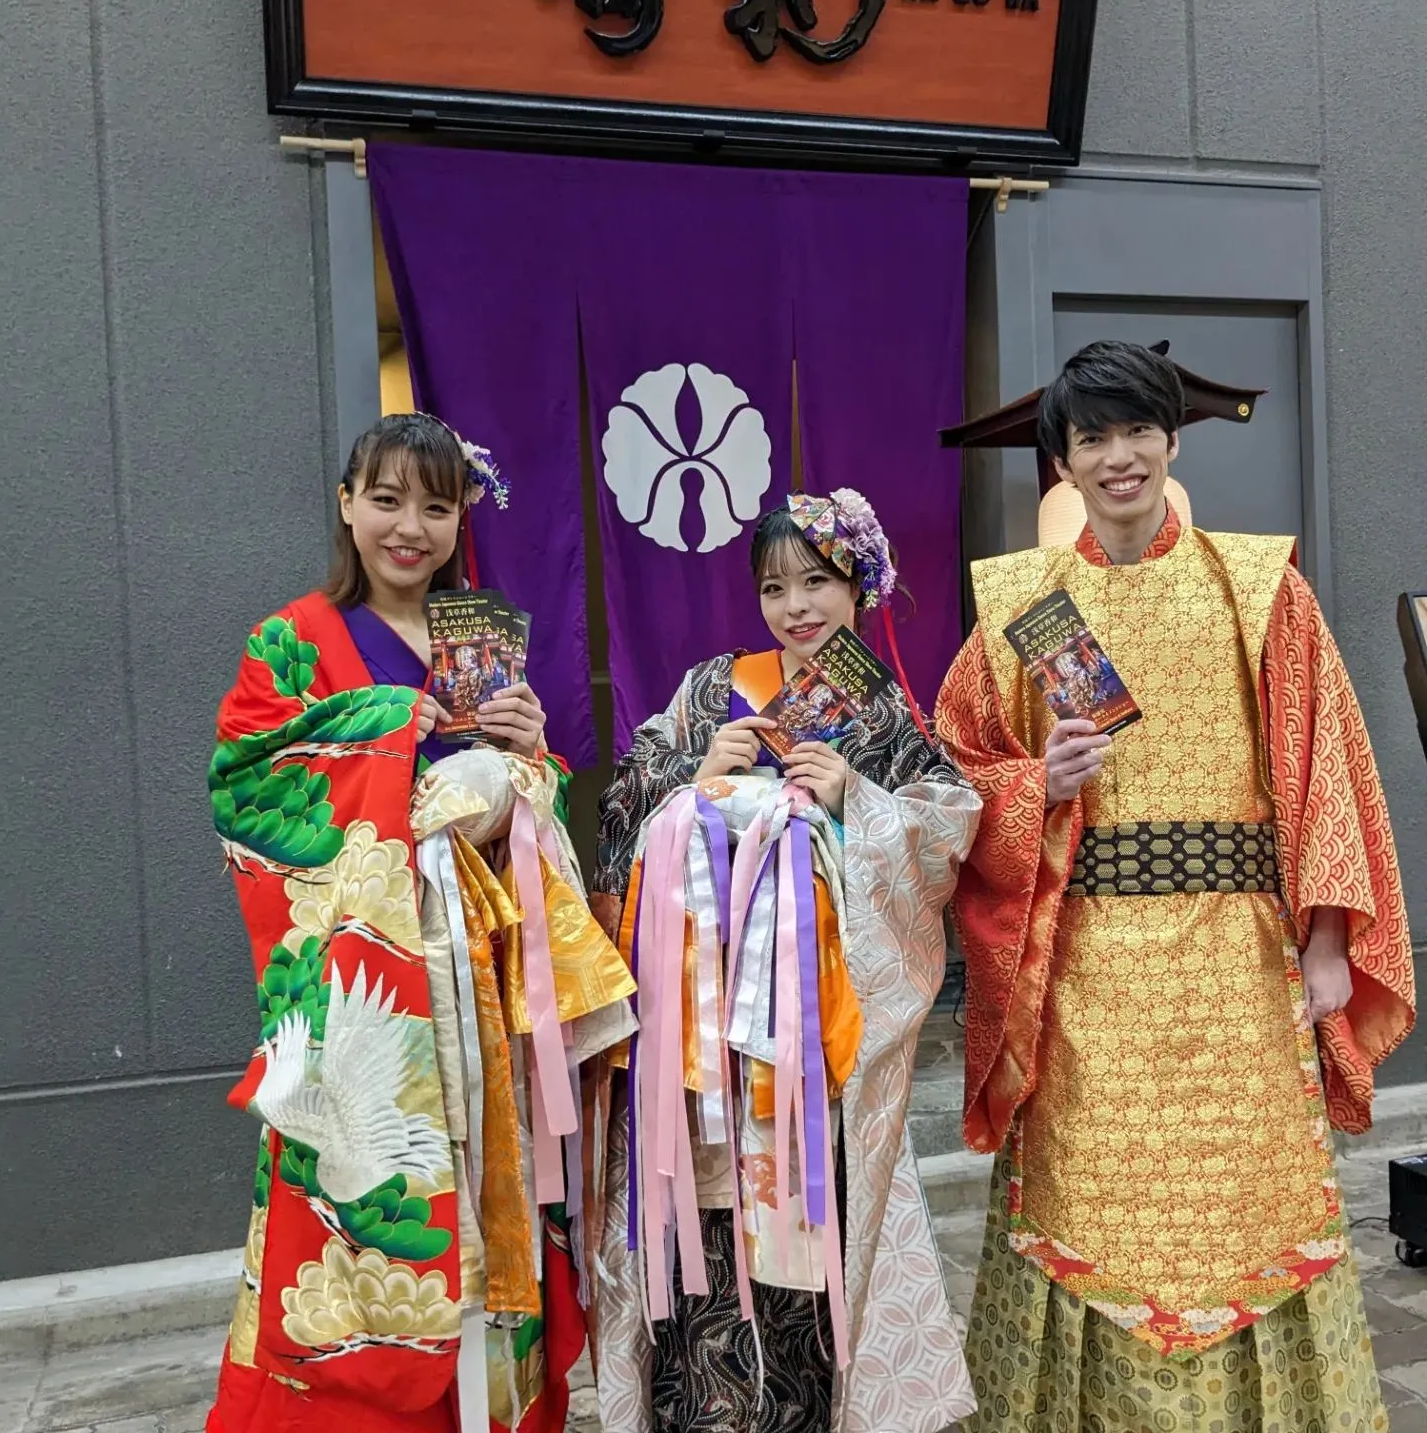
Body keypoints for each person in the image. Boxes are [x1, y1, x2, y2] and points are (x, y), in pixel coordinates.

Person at [935, 342, 1416, 1432]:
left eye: (1136, 431)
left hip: (1237, 956)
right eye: (1092, 438)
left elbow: (1321, 761)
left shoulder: (1256, 588)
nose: (1118, 458)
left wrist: (1329, 939)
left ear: (1171, 441)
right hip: (1088, 966)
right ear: (1061, 463)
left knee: (1245, 1200)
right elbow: (955, 765)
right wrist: (1032, 784)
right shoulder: (1026, 602)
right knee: (1089, 1194)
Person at [205, 414, 636, 1433]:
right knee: (366, 1217)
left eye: (436, 507)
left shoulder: (473, 639)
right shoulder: (291, 639)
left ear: (460, 519)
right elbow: (246, 782)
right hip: (375, 1002)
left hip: (481, 987)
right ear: (348, 502)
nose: (410, 528)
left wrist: (533, 755)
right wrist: (398, 729)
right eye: (387, 500)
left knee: (500, 1207)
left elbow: (520, 817)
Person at [589, 489, 982, 1433]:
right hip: (701, 1026)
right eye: (775, 587)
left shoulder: (880, 710)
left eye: (818, 581)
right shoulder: (709, 689)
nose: (797, 606)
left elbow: (944, 832)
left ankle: (805, 1409)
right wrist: (691, 777)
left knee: (806, 1218)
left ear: (858, 587)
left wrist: (854, 799)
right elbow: (617, 830)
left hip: (810, 1034)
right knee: (704, 1222)